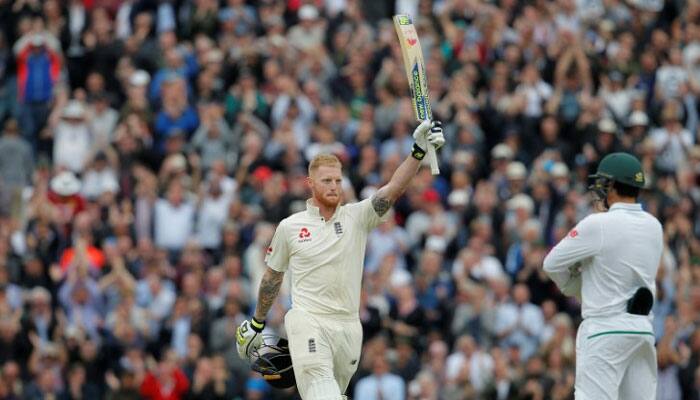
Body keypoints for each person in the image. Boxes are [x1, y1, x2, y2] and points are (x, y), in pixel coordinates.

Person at [236, 120, 445, 399]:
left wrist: (418, 151)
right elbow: (272, 277)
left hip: (348, 327)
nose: (334, 186)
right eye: (326, 181)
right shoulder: (290, 227)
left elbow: (393, 189)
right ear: (310, 184)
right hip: (307, 320)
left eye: (337, 180)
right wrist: (257, 323)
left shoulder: (356, 217)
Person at [543, 152, 663, 400]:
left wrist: (577, 287)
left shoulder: (597, 224)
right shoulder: (655, 226)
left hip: (604, 330)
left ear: (611, 186)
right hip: (642, 330)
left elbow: (551, 263)